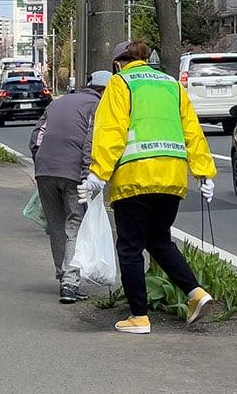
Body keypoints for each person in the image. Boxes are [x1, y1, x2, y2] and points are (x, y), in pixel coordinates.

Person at [81, 40, 217, 335]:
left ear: (118, 62)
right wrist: (204, 174)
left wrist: (97, 174)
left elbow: (111, 131)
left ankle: (139, 317)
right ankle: (195, 293)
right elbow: (191, 130)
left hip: (136, 176)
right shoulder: (171, 85)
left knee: (130, 246)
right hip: (171, 176)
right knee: (158, 240)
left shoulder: (121, 83)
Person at [30, 70, 110, 303]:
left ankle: (63, 274)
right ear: (104, 91)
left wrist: (41, 162)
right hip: (74, 172)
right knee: (75, 223)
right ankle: (70, 282)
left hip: (45, 170)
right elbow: (90, 141)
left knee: (55, 224)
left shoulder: (59, 102)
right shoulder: (99, 107)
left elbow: (37, 136)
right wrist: (88, 175)